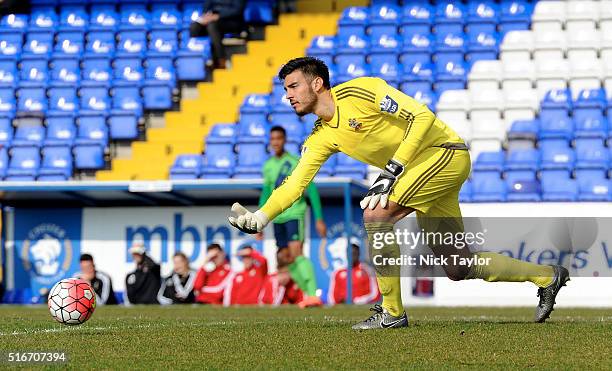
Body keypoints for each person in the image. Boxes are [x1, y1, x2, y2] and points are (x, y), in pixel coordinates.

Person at [228, 57, 570, 329]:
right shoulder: (321, 135)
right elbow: (294, 183)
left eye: (293, 86)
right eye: (285, 89)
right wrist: (261, 218)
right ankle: (548, 276)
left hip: (445, 153)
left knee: (375, 215)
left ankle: (391, 311)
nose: (287, 95)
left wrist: (393, 168)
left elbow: (421, 117)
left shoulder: (361, 92)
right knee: (458, 266)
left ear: (317, 84)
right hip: (421, 171)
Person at [257, 125, 327, 308]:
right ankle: (307, 295)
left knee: (297, 253)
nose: (275, 142)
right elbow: (266, 193)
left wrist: (319, 218)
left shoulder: (295, 161)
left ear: (284, 140)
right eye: (272, 139)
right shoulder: (268, 166)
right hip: (277, 217)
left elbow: (311, 189)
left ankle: (313, 294)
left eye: (278, 138)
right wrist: (259, 219)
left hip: (294, 213)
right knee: (285, 257)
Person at [189, 0, 246, 69]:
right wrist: (206, 15)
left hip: (231, 21)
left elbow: (237, 10)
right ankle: (197, 59)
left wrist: (218, 16)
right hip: (212, 20)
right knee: (194, 26)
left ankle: (221, 59)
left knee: (212, 26)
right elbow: (206, 6)